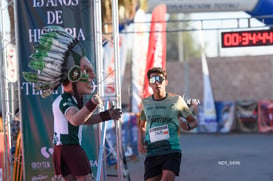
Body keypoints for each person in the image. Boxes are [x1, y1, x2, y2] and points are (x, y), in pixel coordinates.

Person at [23, 26, 122, 181]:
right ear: (73, 74)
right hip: (69, 148)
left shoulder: (70, 100)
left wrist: (106, 115)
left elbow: (85, 119)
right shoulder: (65, 100)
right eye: (86, 70)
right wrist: (93, 103)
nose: (93, 76)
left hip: (64, 149)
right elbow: (76, 119)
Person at [138, 67, 198, 181]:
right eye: (152, 80)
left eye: (159, 79)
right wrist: (140, 142)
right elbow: (141, 125)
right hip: (152, 151)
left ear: (165, 82)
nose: (156, 83)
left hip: (171, 150)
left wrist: (188, 126)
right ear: (149, 84)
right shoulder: (145, 103)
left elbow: (194, 121)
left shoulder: (177, 100)